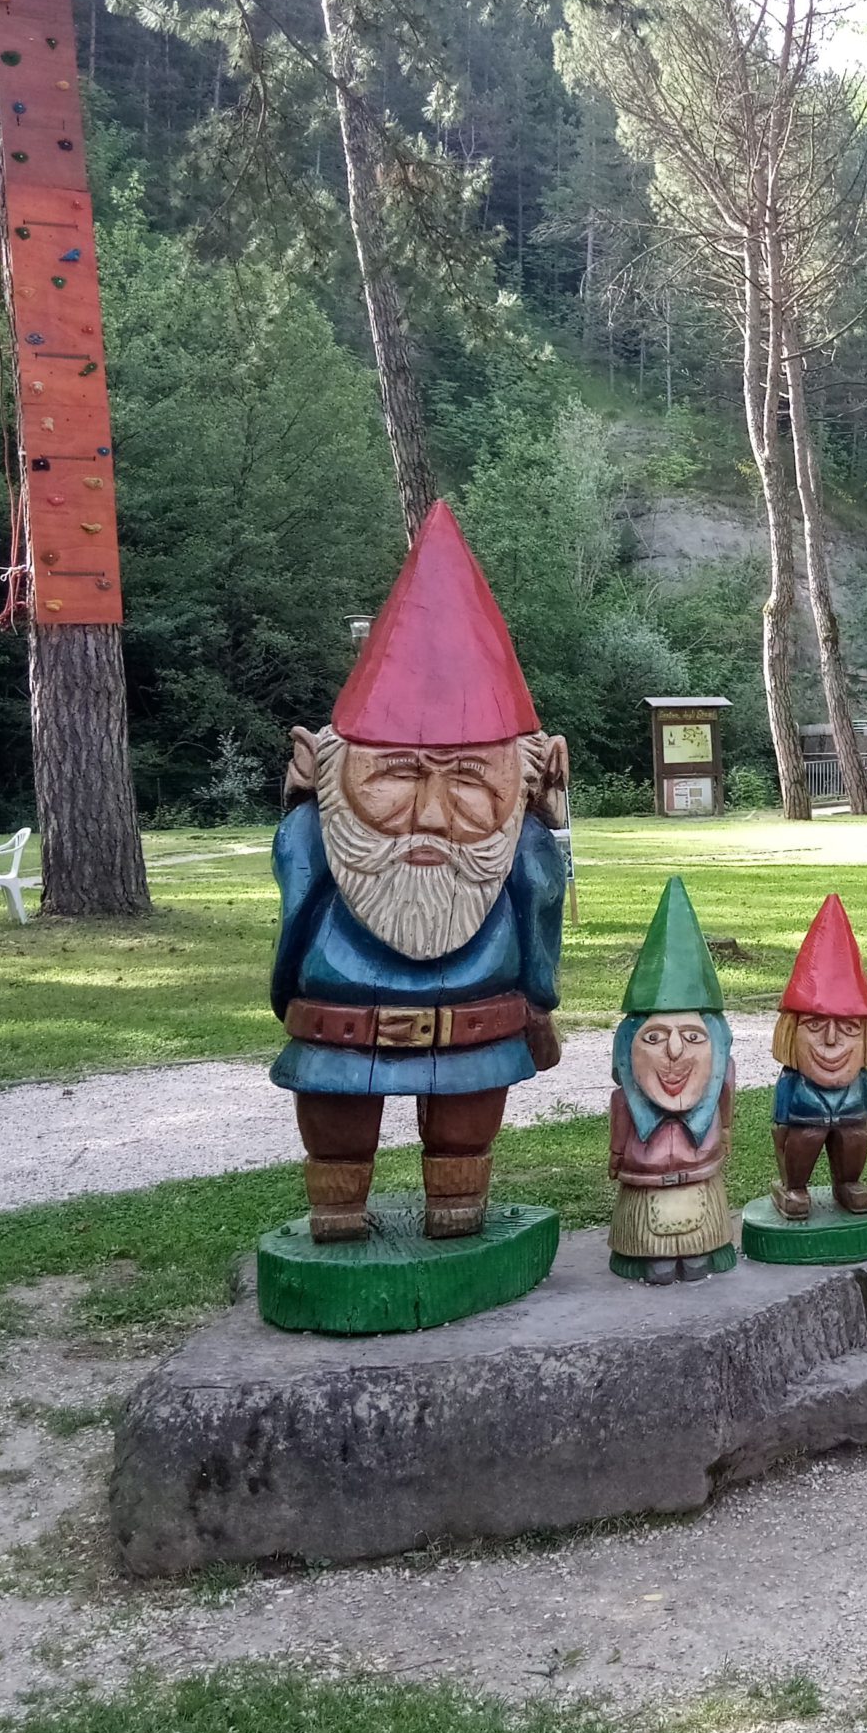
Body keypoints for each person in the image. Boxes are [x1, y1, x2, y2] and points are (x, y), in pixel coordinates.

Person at [270, 503, 566, 1243]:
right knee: (336, 1135)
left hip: (477, 1034)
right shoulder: (312, 837)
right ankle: (336, 1208)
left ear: (533, 776)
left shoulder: (524, 847)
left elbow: (538, 925)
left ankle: (457, 1206)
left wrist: (536, 1003)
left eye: (471, 783)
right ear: (317, 766)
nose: (431, 813)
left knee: (465, 1142)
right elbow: (293, 929)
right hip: (338, 1037)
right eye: (394, 778)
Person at [608, 876, 737, 1283]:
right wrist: (617, 1156)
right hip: (645, 1189)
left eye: (694, 1036)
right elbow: (618, 1135)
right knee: (655, 1260)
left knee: (699, 1252)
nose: (676, 1051)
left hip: (700, 1183)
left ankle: (704, 1248)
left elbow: (726, 1111)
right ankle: (647, 1257)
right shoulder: (626, 1102)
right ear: (627, 1050)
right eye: (655, 1037)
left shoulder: (717, 1091)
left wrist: (725, 1132)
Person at [771, 894, 867, 1220]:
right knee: (805, 1138)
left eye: (848, 1028)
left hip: (850, 1118)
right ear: (791, 1032)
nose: (830, 1041)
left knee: (856, 1136)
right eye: (816, 1026)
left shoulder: (861, 1084)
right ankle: (795, 1185)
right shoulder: (793, 1082)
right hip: (807, 1123)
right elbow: (780, 1125)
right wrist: (782, 1135)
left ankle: (848, 1182)